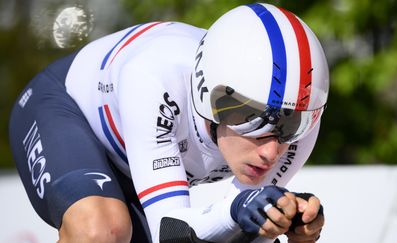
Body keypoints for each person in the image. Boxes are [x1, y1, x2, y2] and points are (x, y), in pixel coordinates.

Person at [9, 3, 329, 243]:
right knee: (101, 229)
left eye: (288, 127)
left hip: (138, 161)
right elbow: (172, 231)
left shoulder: (300, 120)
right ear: (212, 97)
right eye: (254, 122)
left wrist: (285, 218)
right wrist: (235, 212)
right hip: (65, 109)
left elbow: (241, 233)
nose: (272, 152)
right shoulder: (155, 76)